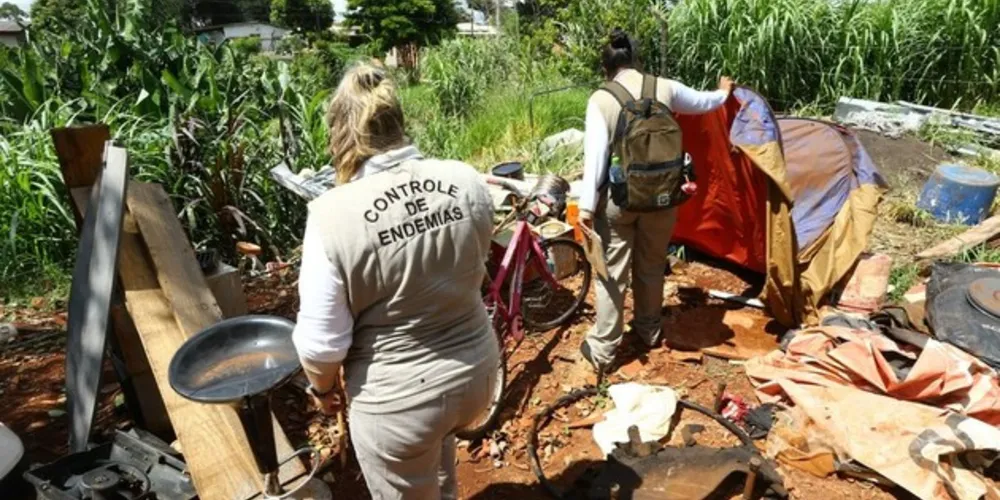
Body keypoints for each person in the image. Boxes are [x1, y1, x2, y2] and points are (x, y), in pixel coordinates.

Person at [292, 61, 499, 500]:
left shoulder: (331, 216)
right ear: (398, 121)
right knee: (438, 445)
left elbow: (321, 343)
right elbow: (476, 264)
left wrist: (321, 388)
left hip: (399, 404)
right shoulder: (466, 179)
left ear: (342, 131)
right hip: (477, 376)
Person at [577, 29, 734, 375]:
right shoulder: (666, 87)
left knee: (612, 275)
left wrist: (586, 209)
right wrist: (723, 92)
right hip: (664, 197)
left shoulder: (601, 99)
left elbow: (595, 162)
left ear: (606, 68)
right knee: (650, 266)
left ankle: (603, 350)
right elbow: (706, 102)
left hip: (621, 202)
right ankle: (649, 331)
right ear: (636, 60)